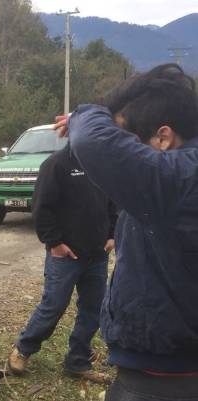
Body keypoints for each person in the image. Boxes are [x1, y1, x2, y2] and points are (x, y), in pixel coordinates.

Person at [57, 64, 198, 400]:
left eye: (127, 140)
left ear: (163, 137)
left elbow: (92, 140)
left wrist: (89, 113)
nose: (122, 151)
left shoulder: (177, 180)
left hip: (167, 380)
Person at [7, 141, 116, 384]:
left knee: (94, 309)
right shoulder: (56, 164)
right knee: (53, 306)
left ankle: (77, 361)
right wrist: (54, 243)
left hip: (97, 255)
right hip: (65, 255)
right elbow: (41, 207)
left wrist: (111, 233)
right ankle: (23, 348)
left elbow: (111, 202)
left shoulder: (101, 164)